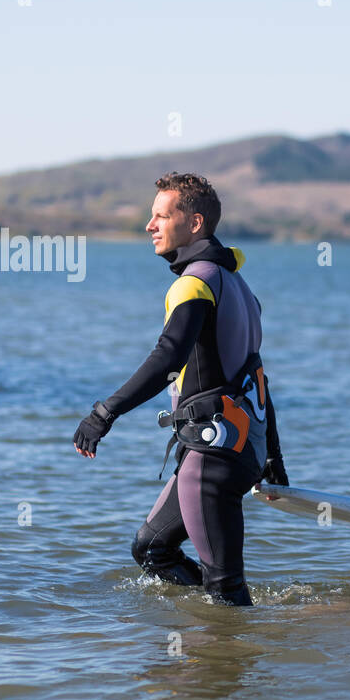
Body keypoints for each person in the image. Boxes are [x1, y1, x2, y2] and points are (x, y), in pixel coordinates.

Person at [73, 172, 288, 606]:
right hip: (234, 449)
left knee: (225, 588)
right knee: (151, 549)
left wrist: (104, 413)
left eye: (160, 216)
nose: (149, 226)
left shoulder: (195, 284)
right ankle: (206, 653)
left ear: (193, 223)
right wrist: (271, 456)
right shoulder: (241, 288)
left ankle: (230, 665)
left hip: (213, 456)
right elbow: (258, 379)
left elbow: (167, 359)